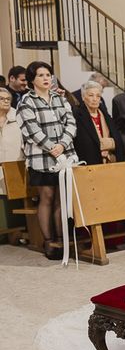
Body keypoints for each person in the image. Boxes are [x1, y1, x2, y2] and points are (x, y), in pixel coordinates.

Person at [16, 61, 77, 260]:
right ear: (32, 79)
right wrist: (53, 148)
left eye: (48, 74)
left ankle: (62, 239)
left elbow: (71, 123)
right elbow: (31, 130)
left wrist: (63, 144)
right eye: (41, 75)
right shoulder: (26, 102)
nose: (46, 78)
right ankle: (49, 241)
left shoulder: (60, 99)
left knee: (62, 199)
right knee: (47, 198)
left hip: (64, 156)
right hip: (41, 158)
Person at [72, 81, 125, 165]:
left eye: (98, 96)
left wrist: (105, 148)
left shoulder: (106, 115)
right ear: (83, 97)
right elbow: (82, 144)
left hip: (110, 161)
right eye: (91, 95)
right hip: (89, 164)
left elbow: (118, 140)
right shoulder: (77, 116)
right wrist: (107, 145)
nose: (95, 99)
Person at [0, 87, 24, 194]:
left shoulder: (18, 117)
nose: (5, 101)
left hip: (15, 167)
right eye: (1, 98)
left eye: (8, 99)